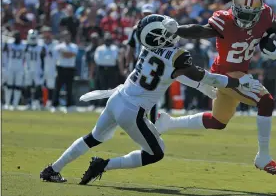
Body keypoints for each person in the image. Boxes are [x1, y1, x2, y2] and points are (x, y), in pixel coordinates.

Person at [39, 14, 261, 183]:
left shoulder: (148, 48)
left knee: (93, 138)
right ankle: (102, 165)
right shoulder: (177, 56)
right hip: (132, 111)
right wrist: (237, 83)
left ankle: (53, 169)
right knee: (156, 153)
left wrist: (203, 87)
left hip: (118, 98)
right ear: (160, 36)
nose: (170, 27)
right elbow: (204, 76)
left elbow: (176, 74)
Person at [159, 0, 276, 175]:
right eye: (242, 14)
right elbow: (201, 31)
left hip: (238, 73)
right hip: (225, 74)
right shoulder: (224, 20)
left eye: (250, 15)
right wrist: (178, 30)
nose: (245, 19)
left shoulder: (265, 15)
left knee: (217, 122)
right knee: (266, 101)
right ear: (234, 8)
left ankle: (168, 123)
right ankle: (264, 157)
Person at [51, 30, 79, 113]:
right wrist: (67, 54)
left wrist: (64, 53)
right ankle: (54, 105)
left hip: (70, 69)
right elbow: (58, 56)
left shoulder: (74, 46)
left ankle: (69, 105)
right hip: (61, 68)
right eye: (65, 36)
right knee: (57, 87)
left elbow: (72, 55)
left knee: (69, 88)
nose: (67, 38)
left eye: (68, 36)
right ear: (63, 37)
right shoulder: (58, 46)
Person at [94, 33, 120, 106]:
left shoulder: (114, 48)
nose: (108, 41)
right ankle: (102, 103)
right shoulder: (99, 48)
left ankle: (111, 104)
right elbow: (97, 60)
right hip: (102, 69)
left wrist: (106, 59)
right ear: (104, 40)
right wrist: (108, 59)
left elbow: (115, 58)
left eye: (109, 40)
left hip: (112, 69)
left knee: (112, 87)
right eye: (106, 40)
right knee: (103, 86)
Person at [3, 31, 27, 110]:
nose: (17, 38)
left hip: (20, 68)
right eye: (15, 36)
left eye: (18, 36)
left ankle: (15, 104)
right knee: (9, 86)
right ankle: (7, 103)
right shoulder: (9, 44)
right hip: (10, 67)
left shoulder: (24, 45)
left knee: (18, 87)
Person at [24, 29, 46, 110]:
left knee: (38, 86)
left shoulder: (41, 47)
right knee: (28, 86)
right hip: (28, 68)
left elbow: (44, 59)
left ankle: (38, 102)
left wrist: (42, 69)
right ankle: (28, 103)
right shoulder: (25, 46)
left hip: (38, 68)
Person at [42, 26, 58, 108]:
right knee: (41, 85)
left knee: (51, 86)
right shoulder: (40, 43)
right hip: (41, 67)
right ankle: (41, 102)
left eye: (48, 33)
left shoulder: (55, 44)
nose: (47, 35)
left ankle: (49, 102)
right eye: (45, 33)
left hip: (51, 67)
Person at [84, 32, 100, 110]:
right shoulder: (88, 50)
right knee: (92, 88)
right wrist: (90, 73)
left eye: (96, 39)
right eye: (93, 39)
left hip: (100, 72)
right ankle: (91, 104)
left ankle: (98, 104)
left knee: (99, 88)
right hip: (91, 72)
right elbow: (88, 62)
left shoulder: (101, 48)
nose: (95, 41)